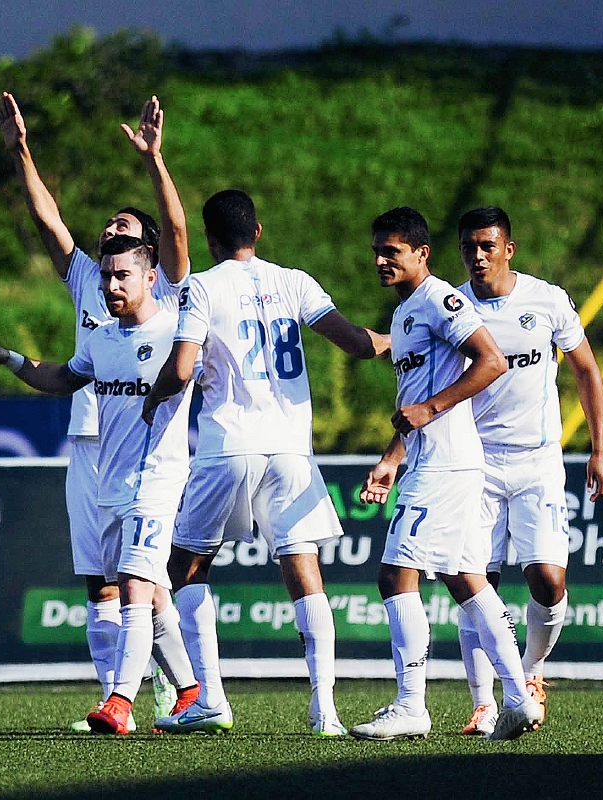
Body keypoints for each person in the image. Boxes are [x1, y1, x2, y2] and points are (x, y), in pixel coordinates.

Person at [141, 189, 390, 736]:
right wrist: (400, 339)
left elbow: (181, 370)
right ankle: (325, 710)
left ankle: (210, 699)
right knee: (303, 568)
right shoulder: (294, 281)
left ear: (209, 239)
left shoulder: (202, 286)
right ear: (257, 231)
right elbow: (355, 342)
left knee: (186, 567)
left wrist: (152, 400)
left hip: (230, 445)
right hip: (291, 448)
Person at [0, 91, 191, 726]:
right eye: (108, 228)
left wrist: (155, 160)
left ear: (147, 261)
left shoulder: (168, 297)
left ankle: (127, 698)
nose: (111, 231)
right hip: (93, 443)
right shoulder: (92, 282)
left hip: (149, 453)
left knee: (138, 578)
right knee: (104, 583)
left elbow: (177, 232)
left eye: (125, 230)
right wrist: (21, 153)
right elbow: (47, 220)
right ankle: (169, 690)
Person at [0, 235, 200, 735]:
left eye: (122, 275)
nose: (111, 285)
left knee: (133, 586)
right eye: (106, 276)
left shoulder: (178, 332)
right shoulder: (103, 340)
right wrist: (7, 357)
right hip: (110, 485)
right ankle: (191, 690)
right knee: (152, 596)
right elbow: (61, 379)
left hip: (157, 482)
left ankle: (120, 702)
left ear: (150, 277)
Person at [352, 206, 543, 741]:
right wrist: (392, 458)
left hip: (445, 462)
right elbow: (414, 401)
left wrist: (432, 410)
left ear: (422, 254)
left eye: (392, 251)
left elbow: (492, 360)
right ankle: (519, 698)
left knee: (395, 576)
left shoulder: (440, 300)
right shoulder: (404, 313)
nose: (381, 261)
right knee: (465, 580)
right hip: (435, 460)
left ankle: (411, 705)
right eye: (377, 252)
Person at [453, 206, 603, 735]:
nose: (478, 256)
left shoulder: (546, 300)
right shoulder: (453, 308)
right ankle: (483, 703)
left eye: (488, 246)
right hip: (475, 462)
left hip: (538, 460)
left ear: (508, 249)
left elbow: (586, 369)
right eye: (469, 247)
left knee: (548, 578)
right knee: (478, 584)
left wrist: (600, 449)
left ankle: (529, 673)